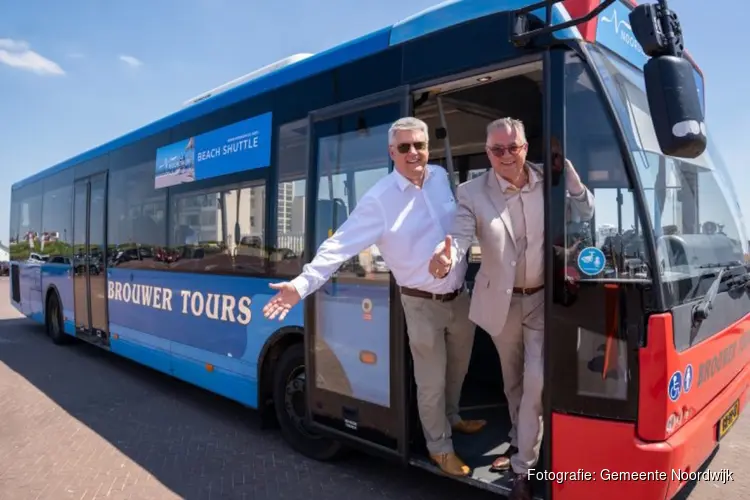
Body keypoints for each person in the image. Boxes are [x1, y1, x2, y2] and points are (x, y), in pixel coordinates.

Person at [262, 116, 485, 477]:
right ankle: (439, 448)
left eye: (420, 145)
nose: (414, 153)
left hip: (459, 297)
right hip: (420, 302)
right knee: (431, 379)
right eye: (404, 147)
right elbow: (339, 245)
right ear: (391, 153)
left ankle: (452, 417)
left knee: (458, 368)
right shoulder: (379, 199)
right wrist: (301, 285)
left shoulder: (441, 178)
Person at [428, 117, 594, 499]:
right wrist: (447, 256)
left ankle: (523, 469)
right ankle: (520, 444)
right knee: (514, 383)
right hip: (500, 302)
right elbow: (460, 235)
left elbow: (584, 213)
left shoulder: (546, 179)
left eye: (513, 147)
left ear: (525, 147)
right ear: (488, 152)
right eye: (497, 149)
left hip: (540, 299)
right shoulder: (471, 192)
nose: (506, 155)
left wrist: (569, 176)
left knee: (536, 381)